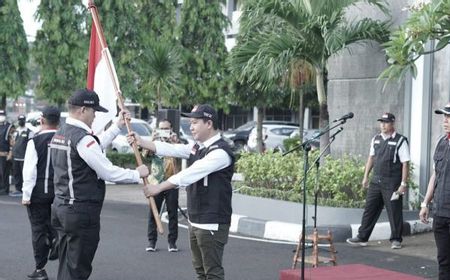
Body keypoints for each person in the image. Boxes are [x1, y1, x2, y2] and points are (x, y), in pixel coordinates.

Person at [50, 89, 149, 280]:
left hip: (62, 207)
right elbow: (107, 171)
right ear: (83, 110)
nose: (95, 115)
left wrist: (117, 126)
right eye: (93, 110)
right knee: (78, 269)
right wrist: (137, 174)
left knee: (67, 266)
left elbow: (95, 147)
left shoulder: (62, 132)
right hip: (80, 211)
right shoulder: (82, 138)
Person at [129, 104, 234, 280]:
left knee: (213, 273)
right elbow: (174, 149)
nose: (190, 127)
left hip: (211, 222)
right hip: (196, 219)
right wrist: (142, 142)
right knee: (200, 272)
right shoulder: (198, 147)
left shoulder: (220, 152)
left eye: (194, 123)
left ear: (208, 123)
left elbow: (189, 174)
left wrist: (159, 187)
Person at [346, 112, 410, 249]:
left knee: (394, 211)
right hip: (376, 181)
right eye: (381, 122)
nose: (383, 125)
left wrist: (403, 184)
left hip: (392, 182)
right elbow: (371, 158)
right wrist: (365, 177)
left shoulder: (400, 141)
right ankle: (362, 237)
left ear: (392, 124)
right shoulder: (376, 139)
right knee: (370, 209)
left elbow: (405, 163)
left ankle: (396, 239)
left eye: (386, 122)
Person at [22, 106, 61, 280]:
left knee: (38, 229)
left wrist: (26, 194)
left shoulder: (35, 141)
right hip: (60, 192)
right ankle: (56, 240)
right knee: (53, 224)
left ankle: (40, 269)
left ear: (42, 120)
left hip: (39, 192)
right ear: (59, 121)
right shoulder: (64, 139)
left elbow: (29, 171)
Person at [420, 103, 450, 279]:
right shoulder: (441, 142)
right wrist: (425, 203)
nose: (445, 120)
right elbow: (435, 175)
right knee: (444, 261)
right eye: (444, 116)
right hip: (440, 213)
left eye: (448, 117)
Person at [145, 119, 180, 252]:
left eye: (166, 129)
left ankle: (172, 242)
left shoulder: (175, 142)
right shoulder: (154, 143)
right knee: (153, 212)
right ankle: (151, 242)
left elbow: (185, 154)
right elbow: (145, 155)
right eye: (161, 129)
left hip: (171, 182)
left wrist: (175, 142)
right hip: (155, 182)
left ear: (171, 129)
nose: (163, 132)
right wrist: (151, 139)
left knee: (173, 213)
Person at [12, 114, 33, 196]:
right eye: (20, 120)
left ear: (25, 121)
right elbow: (13, 142)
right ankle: (18, 189)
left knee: (25, 174)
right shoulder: (16, 131)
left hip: (24, 157)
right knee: (16, 173)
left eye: (22, 120)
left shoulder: (29, 131)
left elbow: (31, 143)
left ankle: (25, 190)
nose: (21, 121)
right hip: (16, 156)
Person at [0, 110, 14, 195]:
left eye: (2, 114)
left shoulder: (9, 127)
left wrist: (10, 153)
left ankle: (5, 189)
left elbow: (12, 141)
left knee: (4, 172)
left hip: (4, 153)